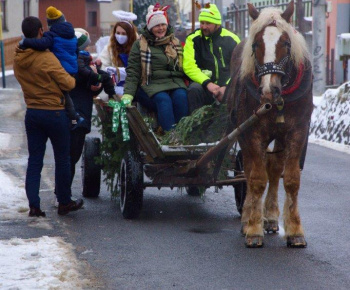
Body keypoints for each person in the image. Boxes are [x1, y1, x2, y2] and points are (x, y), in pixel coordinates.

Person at [13, 16, 84, 217]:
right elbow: (68, 84)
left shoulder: (18, 59)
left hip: (33, 113)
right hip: (54, 113)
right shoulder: (46, 57)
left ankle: (34, 206)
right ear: (40, 31)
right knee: (62, 159)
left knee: (35, 160)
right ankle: (64, 202)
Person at [121, 4, 188, 132]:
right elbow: (133, 71)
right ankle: (171, 137)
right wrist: (128, 94)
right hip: (150, 85)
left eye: (163, 24)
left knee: (181, 96)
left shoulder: (175, 43)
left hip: (174, 83)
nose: (161, 28)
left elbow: (185, 66)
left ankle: (182, 134)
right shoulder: (140, 45)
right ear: (150, 27)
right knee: (163, 100)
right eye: (157, 25)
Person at [20, 6, 83, 128]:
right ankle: (72, 119)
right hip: (72, 69)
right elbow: (76, 52)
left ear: (50, 24)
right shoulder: (72, 35)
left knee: (64, 95)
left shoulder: (52, 35)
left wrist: (26, 42)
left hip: (61, 69)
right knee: (66, 94)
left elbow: (42, 44)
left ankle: (75, 118)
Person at [69, 28, 116, 186]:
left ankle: (62, 195)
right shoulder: (76, 61)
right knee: (71, 154)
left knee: (70, 155)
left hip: (78, 111)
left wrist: (96, 83)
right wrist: (95, 77)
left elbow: (91, 85)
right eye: (86, 46)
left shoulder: (83, 61)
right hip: (76, 113)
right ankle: (62, 196)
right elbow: (85, 79)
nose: (88, 49)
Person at [183, 3, 241, 114]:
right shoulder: (192, 39)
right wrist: (208, 84)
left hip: (228, 85)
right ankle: (196, 127)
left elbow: (239, 66)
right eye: (202, 23)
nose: (204, 27)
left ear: (217, 24)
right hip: (203, 85)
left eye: (208, 23)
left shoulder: (232, 39)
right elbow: (189, 66)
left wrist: (226, 86)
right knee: (194, 89)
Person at [97, 12, 138, 96]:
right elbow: (104, 66)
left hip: (134, 85)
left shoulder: (138, 47)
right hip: (114, 85)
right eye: (118, 33)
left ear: (130, 35)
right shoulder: (110, 48)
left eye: (124, 34)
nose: (120, 36)